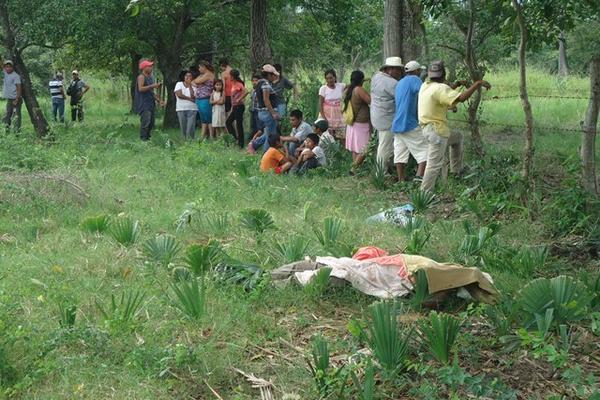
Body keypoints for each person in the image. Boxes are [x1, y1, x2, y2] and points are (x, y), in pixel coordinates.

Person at [418, 60, 491, 192]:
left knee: (457, 137)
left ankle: (455, 172)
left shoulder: (425, 86)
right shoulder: (440, 88)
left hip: (427, 129)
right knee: (433, 165)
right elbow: (461, 98)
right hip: (436, 131)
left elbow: (444, 93)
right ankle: (424, 195)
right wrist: (477, 84)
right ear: (444, 74)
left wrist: (456, 84)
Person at [391, 60, 428, 182]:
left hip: (397, 123)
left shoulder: (400, 82)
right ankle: (419, 176)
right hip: (409, 122)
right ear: (417, 71)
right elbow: (424, 93)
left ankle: (401, 179)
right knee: (425, 149)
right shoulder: (415, 80)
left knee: (400, 153)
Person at [371, 57, 404, 168]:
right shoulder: (393, 83)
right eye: (398, 70)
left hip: (377, 116)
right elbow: (402, 99)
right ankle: (381, 172)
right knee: (385, 146)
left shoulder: (376, 77)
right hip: (387, 119)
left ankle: (386, 168)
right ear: (389, 69)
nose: (400, 73)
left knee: (384, 144)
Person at [343, 70, 371, 169]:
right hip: (361, 123)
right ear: (361, 80)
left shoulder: (349, 90)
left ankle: (357, 170)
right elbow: (370, 100)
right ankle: (354, 168)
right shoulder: (359, 90)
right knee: (367, 146)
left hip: (352, 122)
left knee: (355, 148)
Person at [254, 64, 280, 150]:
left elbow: (258, 99)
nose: (274, 77)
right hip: (267, 113)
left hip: (261, 111)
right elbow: (266, 100)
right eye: (273, 75)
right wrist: (273, 113)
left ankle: (254, 145)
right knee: (271, 136)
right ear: (269, 75)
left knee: (267, 133)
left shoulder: (259, 83)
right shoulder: (265, 84)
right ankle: (267, 155)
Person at [135, 60, 163, 141]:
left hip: (151, 103)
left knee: (151, 123)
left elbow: (151, 92)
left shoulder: (150, 78)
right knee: (145, 123)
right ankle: (143, 140)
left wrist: (159, 100)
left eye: (151, 66)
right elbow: (140, 89)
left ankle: (148, 139)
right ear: (144, 68)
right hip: (144, 104)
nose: (151, 68)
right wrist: (153, 86)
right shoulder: (141, 77)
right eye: (149, 66)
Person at [318, 69, 345, 139]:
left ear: (335, 77)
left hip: (338, 116)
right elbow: (320, 105)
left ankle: (341, 150)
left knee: (341, 137)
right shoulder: (323, 88)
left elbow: (352, 85)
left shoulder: (340, 86)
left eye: (331, 78)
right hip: (327, 115)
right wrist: (324, 119)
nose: (329, 80)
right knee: (328, 137)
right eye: (327, 78)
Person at [193, 60, 215, 139]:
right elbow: (194, 82)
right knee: (204, 119)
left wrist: (198, 82)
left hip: (205, 99)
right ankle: (203, 137)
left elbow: (196, 81)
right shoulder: (203, 75)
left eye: (199, 67)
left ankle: (212, 137)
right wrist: (198, 82)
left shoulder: (208, 74)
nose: (199, 69)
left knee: (208, 118)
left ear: (203, 67)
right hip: (200, 99)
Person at [225, 70, 248, 148]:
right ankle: (235, 138)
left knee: (239, 125)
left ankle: (241, 143)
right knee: (228, 122)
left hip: (239, 106)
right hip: (235, 107)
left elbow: (246, 91)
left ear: (233, 76)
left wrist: (240, 99)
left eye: (230, 76)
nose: (229, 77)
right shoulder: (233, 84)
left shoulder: (239, 84)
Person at [174, 70, 197, 140]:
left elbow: (193, 96)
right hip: (181, 109)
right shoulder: (179, 84)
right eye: (186, 76)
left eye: (190, 76)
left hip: (192, 109)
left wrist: (190, 85)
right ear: (183, 77)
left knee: (191, 128)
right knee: (183, 127)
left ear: (192, 78)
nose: (188, 77)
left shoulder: (195, 86)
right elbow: (179, 95)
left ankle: (190, 141)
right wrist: (189, 99)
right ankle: (184, 142)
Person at [1, 60, 21, 132]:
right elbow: (1, 65)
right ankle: (7, 131)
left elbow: (19, 88)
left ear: (12, 67)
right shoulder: (6, 73)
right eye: (7, 67)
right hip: (9, 99)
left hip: (15, 99)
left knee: (16, 116)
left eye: (10, 67)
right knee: (7, 115)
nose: (8, 68)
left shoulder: (16, 76)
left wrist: (17, 99)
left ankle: (17, 132)